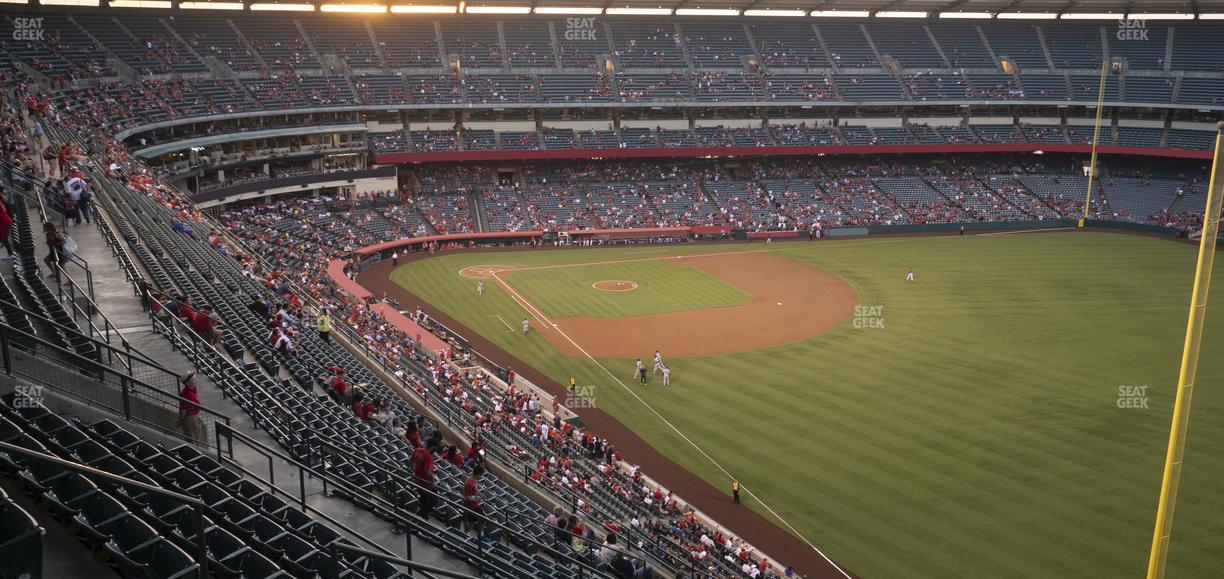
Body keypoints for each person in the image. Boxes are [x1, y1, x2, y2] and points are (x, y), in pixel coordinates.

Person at [411, 434, 441, 520]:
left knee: (424, 500)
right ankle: (422, 515)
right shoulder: (428, 456)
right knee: (434, 499)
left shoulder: (418, 450)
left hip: (417, 480)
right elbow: (428, 472)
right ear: (433, 447)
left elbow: (411, 460)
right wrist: (432, 482)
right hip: (425, 484)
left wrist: (413, 471)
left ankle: (423, 516)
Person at [462, 464, 486, 539]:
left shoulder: (471, 480)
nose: (481, 477)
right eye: (481, 475)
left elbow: (475, 490)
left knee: (472, 521)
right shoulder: (470, 483)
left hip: (473, 505)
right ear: (478, 474)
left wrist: (480, 494)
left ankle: (467, 534)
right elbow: (468, 497)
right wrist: (479, 498)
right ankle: (480, 536)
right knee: (483, 519)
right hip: (471, 506)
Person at [177, 373, 203, 444]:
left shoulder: (192, 390)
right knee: (192, 440)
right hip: (190, 419)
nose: (196, 381)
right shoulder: (188, 393)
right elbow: (184, 410)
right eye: (194, 380)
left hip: (194, 417)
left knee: (196, 439)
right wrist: (180, 421)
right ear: (188, 383)